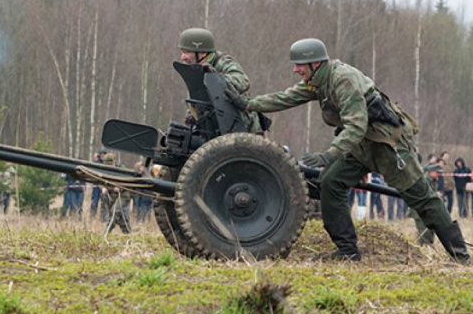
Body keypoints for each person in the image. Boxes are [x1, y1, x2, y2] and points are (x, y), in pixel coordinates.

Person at [226, 38, 470, 263]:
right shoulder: (317, 82)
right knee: (331, 181)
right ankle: (348, 251)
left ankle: (460, 256)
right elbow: (285, 98)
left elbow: (356, 125)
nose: (295, 70)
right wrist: (248, 104)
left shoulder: (343, 79)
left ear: (315, 63)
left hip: (387, 145)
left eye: (300, 65)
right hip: (360, 144)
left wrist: (329, 155)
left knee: (421, 196)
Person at [178, 28, 263, 134]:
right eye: (182, 52)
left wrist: (216, 79)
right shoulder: (196, 69)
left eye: (187, 52)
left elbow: (242, 81)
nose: (183, 57)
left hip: (243, 132)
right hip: (214, 130)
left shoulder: (223, 62)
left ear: (203, 52)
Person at [409, 163, 443, 245]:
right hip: (418, 210)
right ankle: (419, 249)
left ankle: (426, 247)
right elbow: (422, 195)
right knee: (424, 232)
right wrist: (435, 194)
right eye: (437, 172)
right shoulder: (423, 180)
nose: (439, 174)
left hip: (427, 209)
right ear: (431, 172)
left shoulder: (434, 180)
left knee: (430, 231)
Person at [100, 153, 131, 234]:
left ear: (114, 162)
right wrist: (103, 187)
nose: (109, 165)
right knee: (121, 217)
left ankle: (106, 232)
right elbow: (100, 181)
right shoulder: (103, 170)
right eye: (107, 163)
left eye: (110, 163)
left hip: (123, 196)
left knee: (114, 212)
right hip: (112, 196)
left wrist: (120, 187)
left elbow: (128, 181)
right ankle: (128, 233)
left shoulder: (121, 169)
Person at [90, 149, 106, 217]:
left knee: (104, 202)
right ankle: (92, 215)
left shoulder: (106, 163)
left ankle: (102, 217)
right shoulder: (96, 163)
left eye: (104, 154)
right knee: (95, 201)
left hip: (104, 185)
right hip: (96, 185)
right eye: (102, 154)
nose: (103, 155)